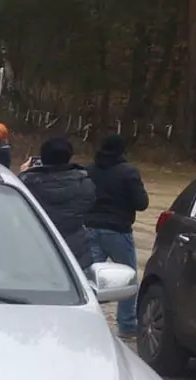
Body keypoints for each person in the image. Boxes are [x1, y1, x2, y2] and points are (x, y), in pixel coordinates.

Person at [86, 134, 150, 337]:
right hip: (117, 230)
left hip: (90, 227)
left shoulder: (88, 170)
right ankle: (127, 325)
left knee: (87, 280)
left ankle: (85, 320)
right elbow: (142, 203)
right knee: (127, 279)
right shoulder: (128, 172)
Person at [18, 137, 96, 269]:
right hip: (73, 250)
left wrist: (23, 174)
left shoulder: (26, 183)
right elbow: (88, 207)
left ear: (42, 157)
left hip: (34, 247)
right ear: (69, 157)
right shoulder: (85, 183)